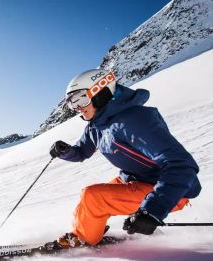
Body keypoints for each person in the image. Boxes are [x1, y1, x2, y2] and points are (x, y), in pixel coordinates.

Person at [49, 69, 201, 248]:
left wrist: (153, 209)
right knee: (88, 199)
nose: (77, 108)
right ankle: (85, 231)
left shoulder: (134, 121)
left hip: (172, 191)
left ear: (101, 92)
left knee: (94, 198)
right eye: (71, 104)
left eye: (80, 99)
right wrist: (65, 152)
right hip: (135, 179)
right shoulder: (96, 125)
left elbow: (181, 164)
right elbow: (82, 151)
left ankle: (82, 240)